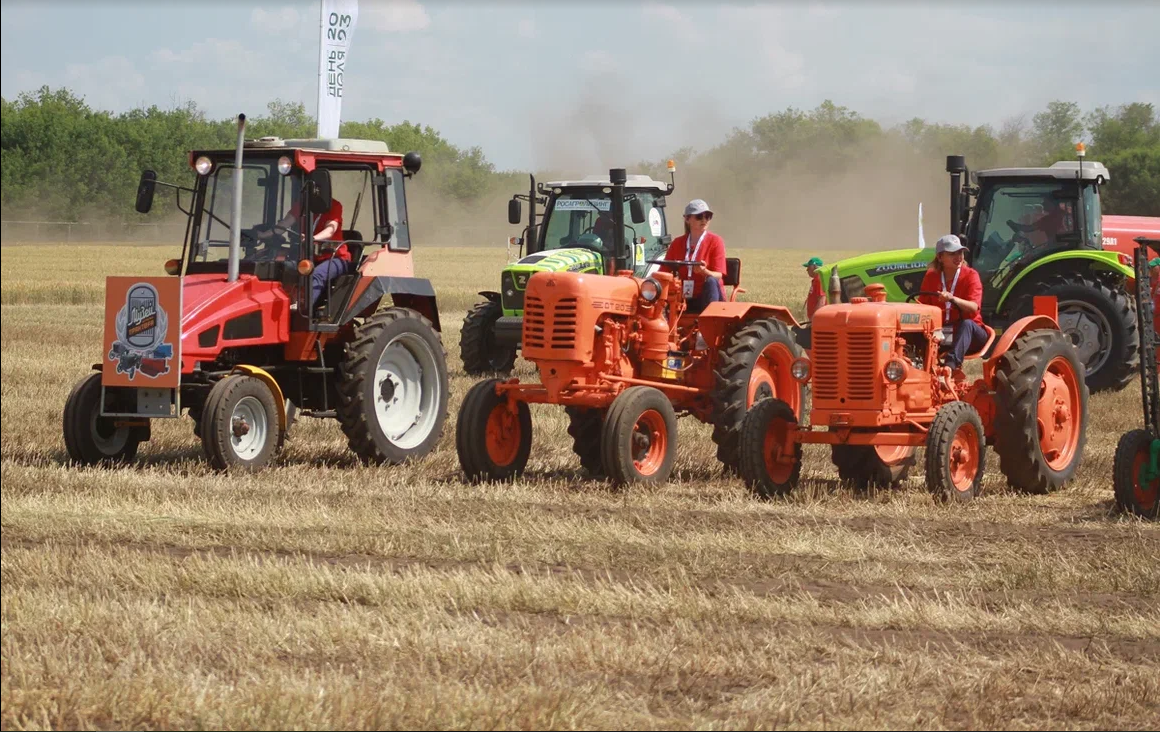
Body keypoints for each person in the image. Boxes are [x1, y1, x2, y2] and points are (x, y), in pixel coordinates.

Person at [917, 234, 988, 375]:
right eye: (952, 254)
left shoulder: (971, 275)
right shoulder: (931, 276)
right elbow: (923, 305)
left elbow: (973, 309)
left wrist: (952, 298)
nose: (958, 257)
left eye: (960, 252)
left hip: (971, 334)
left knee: (967, 324)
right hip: (943, 332)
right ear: (940, 257)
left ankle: (949, 367)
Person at [264, 190, 347, 308]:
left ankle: (302, 310)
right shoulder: (302, 205)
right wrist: (262, 235)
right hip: (308, 255)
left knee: (317, 274)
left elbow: (330, 230)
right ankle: (284, 302)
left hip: (335, 257)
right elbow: (283, 225)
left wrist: (312, 238)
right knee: (284, 266)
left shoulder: (334, 205)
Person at [660, 199, 726, 314]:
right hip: (684, 297)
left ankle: (709, 322)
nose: (704, 220)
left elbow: (718, 275)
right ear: (687, 219)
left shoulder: (716, 241)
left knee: (710, 281)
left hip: (708, 297)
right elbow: (664, 271)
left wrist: (704, 272)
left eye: (708, 216)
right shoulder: (677, 243)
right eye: (699, 216)